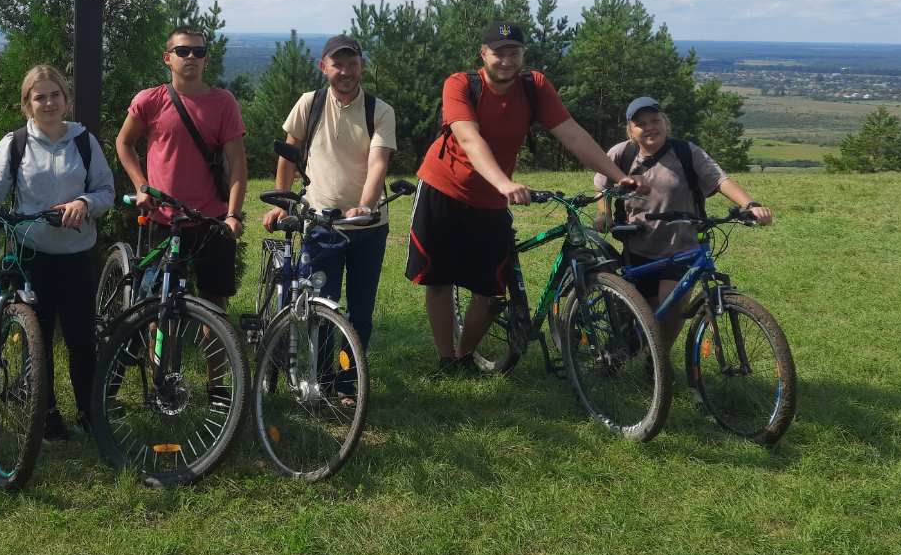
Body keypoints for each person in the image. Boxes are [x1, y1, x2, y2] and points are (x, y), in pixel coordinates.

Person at [406, 22, 646, 379]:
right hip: (444, 189)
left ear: (523, 55)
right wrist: (504, 182)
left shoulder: (534, 87)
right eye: (498, 52)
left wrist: (617, 175)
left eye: (513, 52)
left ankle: (465, 355)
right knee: (438, 280)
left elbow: (572, 133)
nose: (506, 60)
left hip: (491, 200)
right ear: (482, 54)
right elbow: (469, 140)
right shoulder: (459, 85)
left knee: (489, 291)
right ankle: (446, 360)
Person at [0, 64, 116, 440]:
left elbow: (106, 191)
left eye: (55, 94)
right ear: (27, 104)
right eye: (40, 96)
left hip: (76, 255)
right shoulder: (15, 144)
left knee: (81, 339)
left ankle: (89, 411)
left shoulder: (85, 142)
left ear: (66, 99)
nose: (49, 102)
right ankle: (46, 410)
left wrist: (85, 203)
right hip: (30, 253)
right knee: (37, 337)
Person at [594, 96, 774, 346]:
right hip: (637, 247)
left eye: (655, 120)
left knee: (670, 311)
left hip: (682, 246)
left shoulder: (686, 153)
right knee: (641, 315)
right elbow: (602, 186)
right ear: (630, 130)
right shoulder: (621, 153)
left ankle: (658, 365)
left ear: (666, 123)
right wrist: (605, 214)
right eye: (641, 123)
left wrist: (750, 205)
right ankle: (633, 350)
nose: (649, 127)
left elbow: (720, 180)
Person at [265, 34, 397, 367]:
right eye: (338, 64)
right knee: (321, 307)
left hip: (367, 227)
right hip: (320, 223)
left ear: (362, 67)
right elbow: (289, 153)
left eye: (352, 64)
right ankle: (322, 377)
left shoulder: (380, 111)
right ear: (324, 67)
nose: (346, 71)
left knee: (359, 314)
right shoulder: (309, 103)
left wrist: (366, 207)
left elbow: (378, 163)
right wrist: (283, 201)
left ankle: (348, 379)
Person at [115, 25, 247, 310]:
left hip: (213, 222)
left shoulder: (223, 103)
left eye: (198, 52)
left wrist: (234, 215)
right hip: (164, 220)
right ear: (167, 58)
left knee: (215, 304)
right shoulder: (149, 101)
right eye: (182, 51)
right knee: (156, 305)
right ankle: (157, 357)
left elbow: (237, 162)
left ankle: (219, 356)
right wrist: (142, 186)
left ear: (206, 59)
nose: (191, 57)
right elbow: (124, 143)